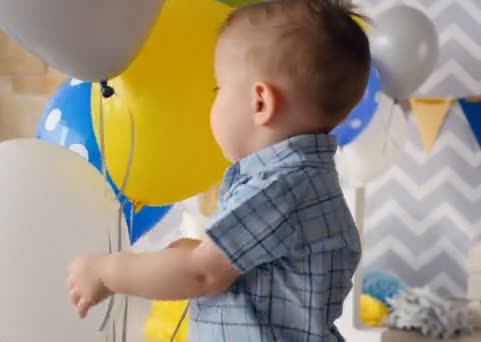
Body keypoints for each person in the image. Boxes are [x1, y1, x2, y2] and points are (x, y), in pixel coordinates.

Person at [67, 0, 370, 340]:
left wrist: (108, 272)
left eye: (219, 88)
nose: (213, 100)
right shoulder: (304, 182)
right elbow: (254, 272)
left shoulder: (278, 186)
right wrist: (197, 252)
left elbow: (202, 275)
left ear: (260, 103)